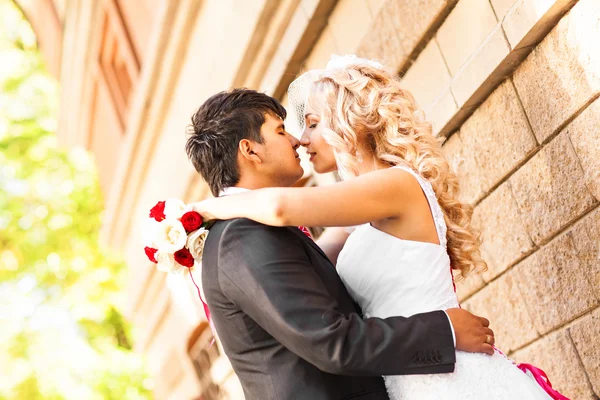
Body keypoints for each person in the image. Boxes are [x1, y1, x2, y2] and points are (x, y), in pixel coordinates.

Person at [191, 58, 555, 399]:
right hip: (416, 371)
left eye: (312, 124)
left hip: (447, 375)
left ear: (350, 121)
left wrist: (202, 210)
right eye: (285, 130)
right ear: (249, 151)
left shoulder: (395, 185)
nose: (300, 139)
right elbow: (323, 306)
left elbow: (282, 207)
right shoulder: (252, 232)